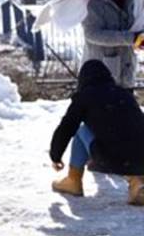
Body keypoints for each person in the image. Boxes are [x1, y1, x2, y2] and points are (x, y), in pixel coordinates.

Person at [49, 60, 144, 205]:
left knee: (81, 130)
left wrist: (55, 156)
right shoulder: (124, 94)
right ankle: (137, 181)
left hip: (113, 158)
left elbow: (66, 127)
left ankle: (73, 180)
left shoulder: (84, 97)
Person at [82, 0, 141, 90]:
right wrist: (131, 38)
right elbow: (92, 34)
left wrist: (139, 39)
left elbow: (135, 28)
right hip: (101, 76)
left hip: (126, 75)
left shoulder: (133, 0)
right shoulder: (94, 3)